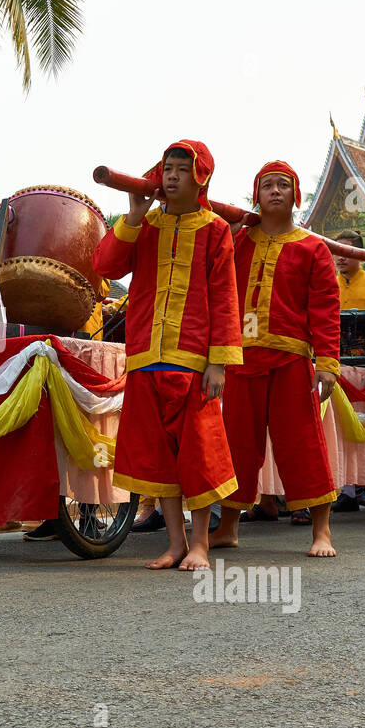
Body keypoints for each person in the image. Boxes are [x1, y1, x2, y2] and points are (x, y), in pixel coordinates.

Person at [92, 140, 241, 572]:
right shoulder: (146, 224)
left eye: (181, 169)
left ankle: (200, 545)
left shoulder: (215, 230)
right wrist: (133, 216)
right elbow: (105, 266)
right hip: (144, 358)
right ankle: (175, 543)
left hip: (193, 363)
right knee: (159, 460)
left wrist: (218, 362)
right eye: (167, 169)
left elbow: (224, 298)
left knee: (196, 456)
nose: (172, 176)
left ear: (201, 179)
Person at [211, 161, 339, 558]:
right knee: (236, 446)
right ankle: (229, 527)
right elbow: (217, 294)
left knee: (303, 445)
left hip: (290, 361)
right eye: (267, 185)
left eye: (284, 185)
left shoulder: (312, 247)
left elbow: (325, 308)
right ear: (257, 195)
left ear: (296, 196)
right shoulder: (237, 242)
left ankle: (322, 531)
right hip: (240, 360)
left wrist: (328, 364)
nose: (276, 191)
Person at [328, 229, 365, 513]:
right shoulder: (327, 283)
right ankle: (347, 489)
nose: (340, 258)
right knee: (340, 428)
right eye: (336, 252)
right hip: (336, 366)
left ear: (360, 255)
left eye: (347, 252)